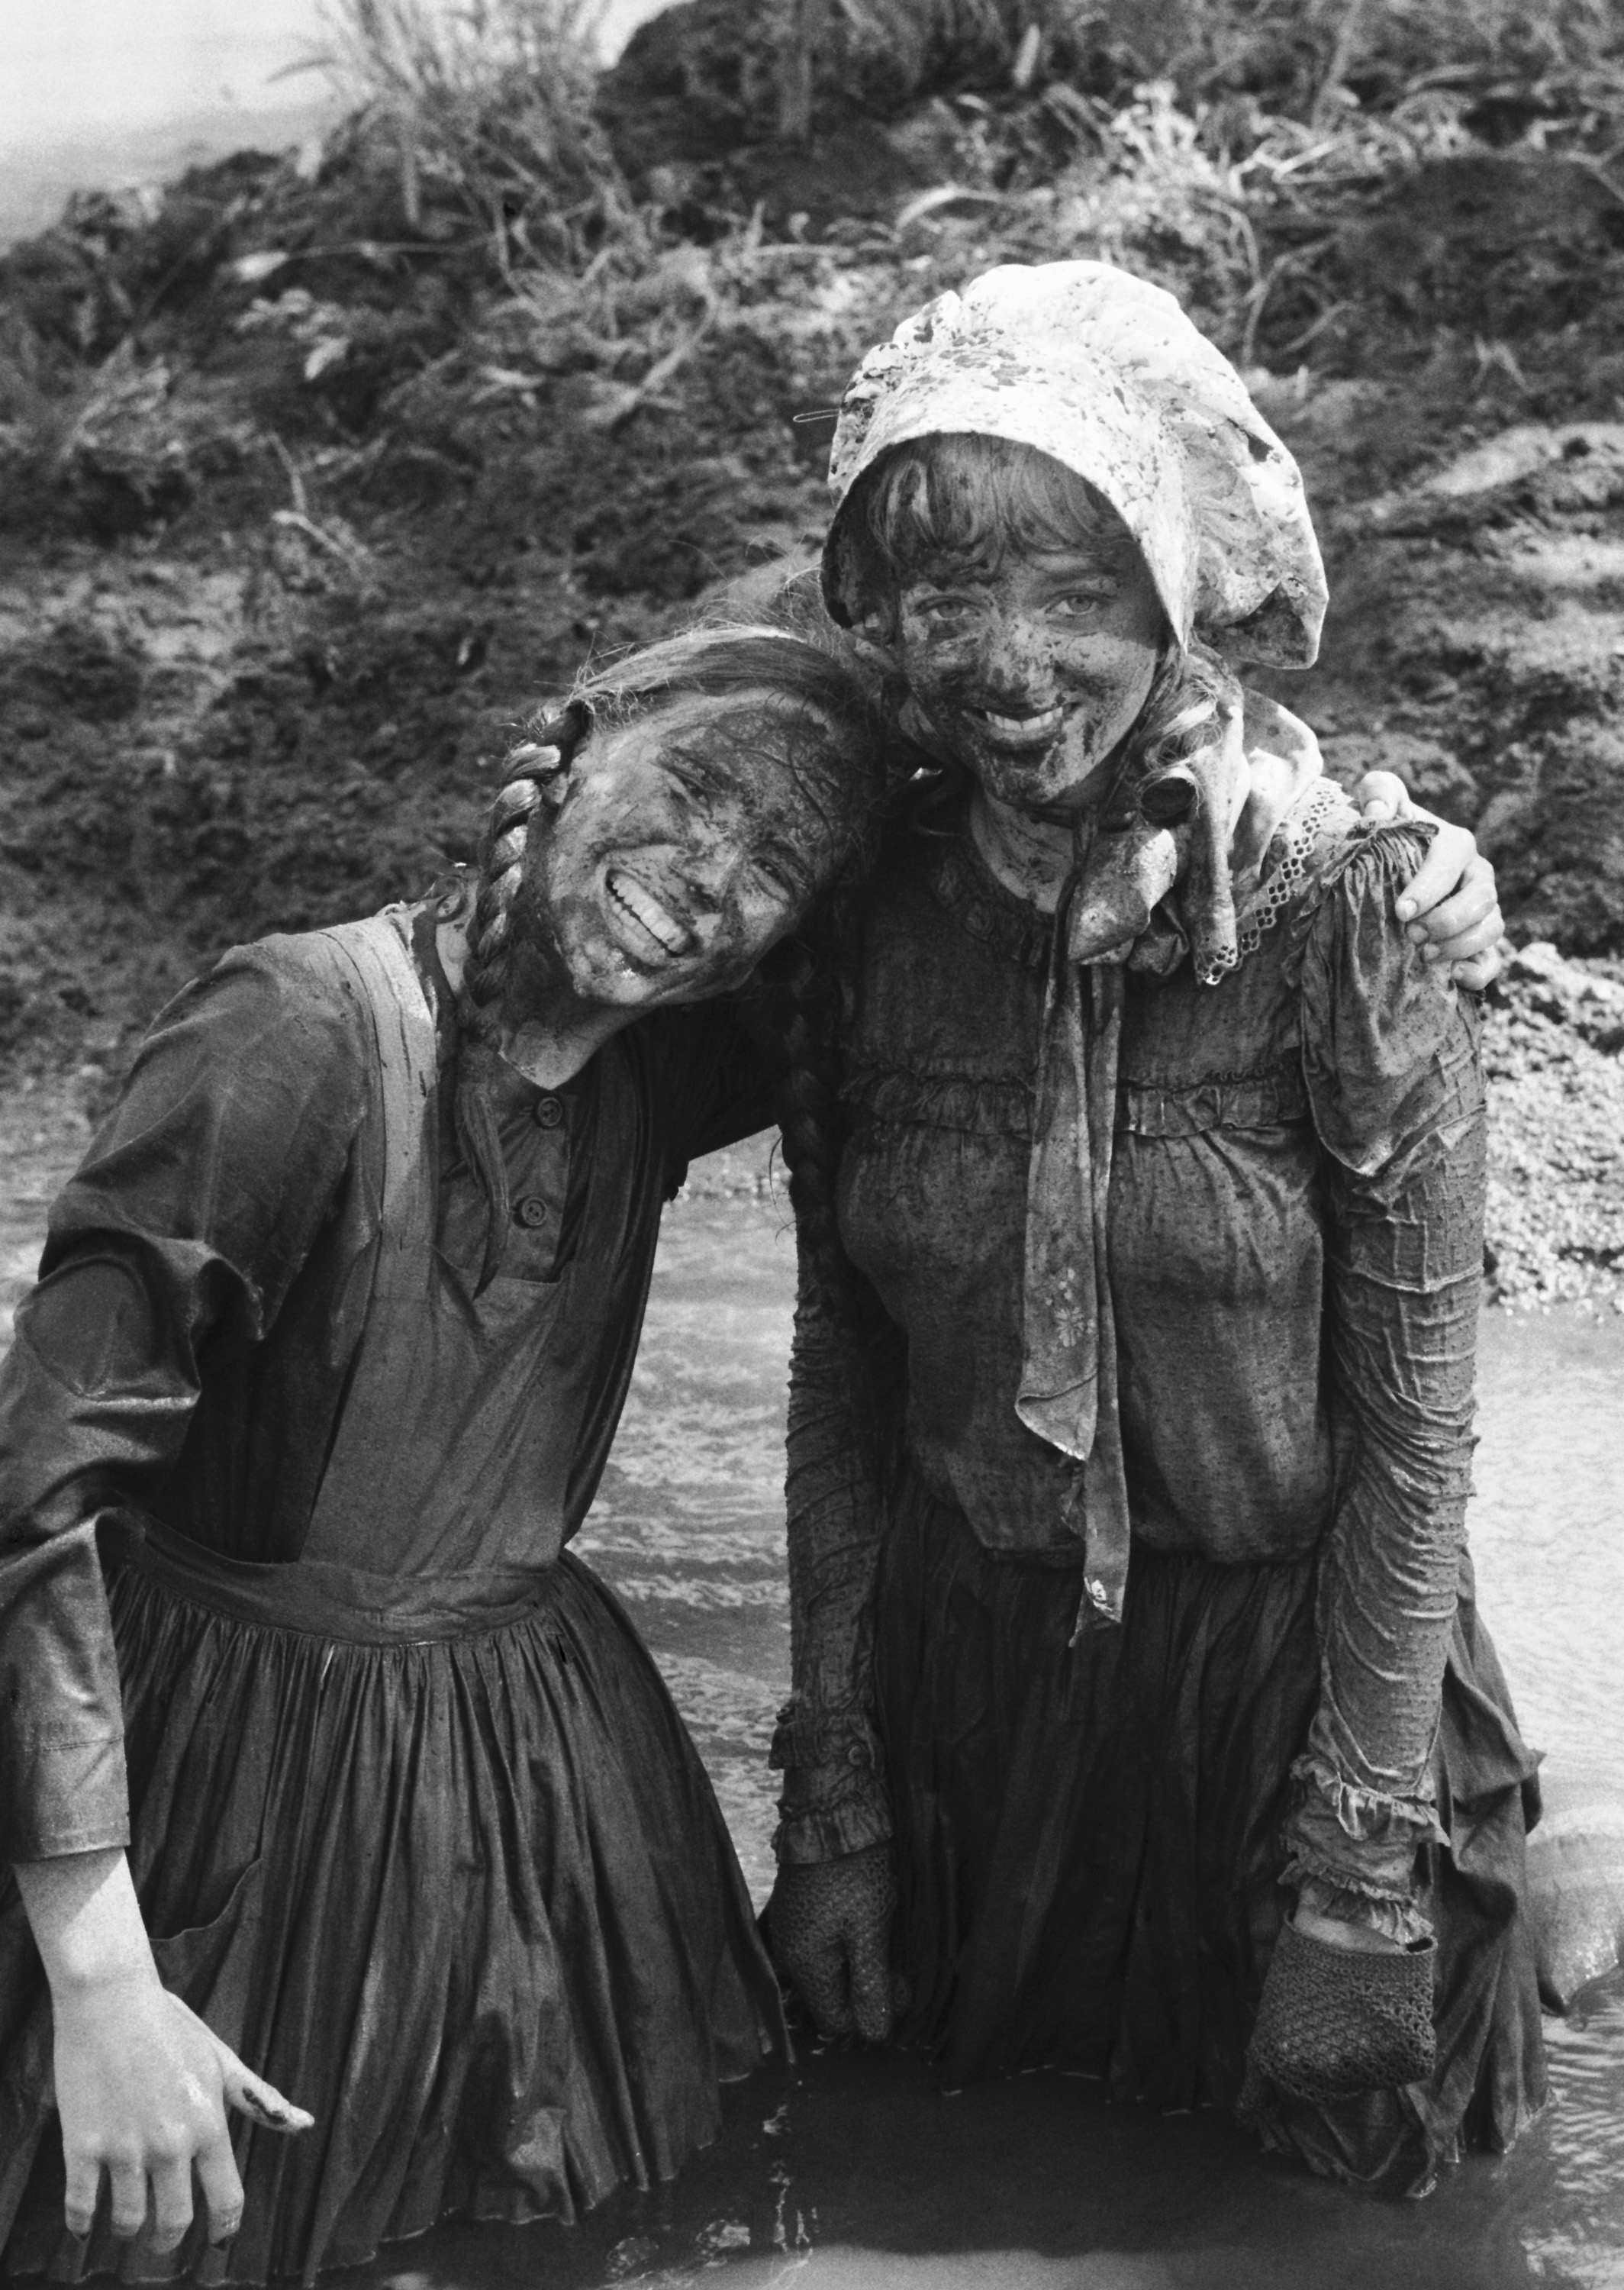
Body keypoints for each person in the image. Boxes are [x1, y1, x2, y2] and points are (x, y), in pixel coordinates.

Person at [762, 262, 1543, 2195]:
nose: (1008, 662)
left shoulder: (1344, 909)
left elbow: (1418, 1424)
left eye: (1078, 592)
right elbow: (839, 1378)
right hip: (975, 1702)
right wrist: (834, 1794)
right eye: (945, 595)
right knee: (947, 2178)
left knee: (1337, 2205)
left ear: (1179, 594)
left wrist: (1360, 1863)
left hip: (1297, 1695)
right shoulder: (860, 918)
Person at [0, 626, 888, 2284]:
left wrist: (1327, 819)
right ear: (566, 752)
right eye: (691, 790)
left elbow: (992, 824)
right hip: (217, 1781)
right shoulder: (295, 1033)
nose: (706, 876)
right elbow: (32, 1495)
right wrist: (103, 1975)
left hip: (541, 1780)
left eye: (774, 863)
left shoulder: (678, 1060)